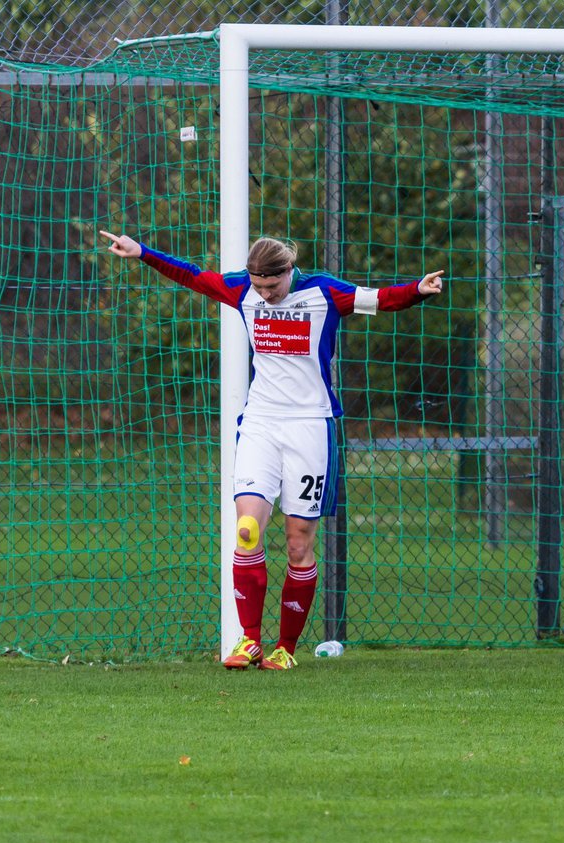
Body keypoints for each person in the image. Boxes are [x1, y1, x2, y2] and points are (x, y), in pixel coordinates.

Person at [101, 230, 444, 669]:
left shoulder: (323, 292)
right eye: (259, 287)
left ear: (289, 272)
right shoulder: (243, 290)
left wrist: (418, 290)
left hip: (309, 428)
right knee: (247, 529)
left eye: (273, 287)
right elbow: (192, 276)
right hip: (261, 423)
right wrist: (142, 253)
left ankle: (285, 648)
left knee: (298, 544)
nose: (266, 294)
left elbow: (380, 299)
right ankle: (249, 640)